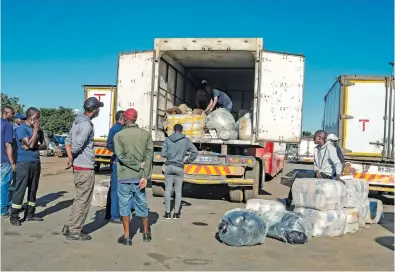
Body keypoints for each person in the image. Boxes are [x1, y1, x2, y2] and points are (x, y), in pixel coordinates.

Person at [62, 97, 104, 240]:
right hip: (85, 167)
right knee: (83, 200)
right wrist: (71, 156)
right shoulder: (86, 125)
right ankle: (74, 230)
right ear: (94, 110)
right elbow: (77, 145)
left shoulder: (77, 122)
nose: (99, 110)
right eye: (98, 108)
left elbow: (68, 141)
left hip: (79, 166)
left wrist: (70, 158)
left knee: (79, 198)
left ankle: (70, 226)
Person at [113, 108, 153, 246]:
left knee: (124, 206)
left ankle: (127, 236)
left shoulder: (118, 136)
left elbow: (121, 156)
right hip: (139, 177)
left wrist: (135, 165)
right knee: (142, 203)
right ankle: (146, 233)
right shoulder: (146, 134)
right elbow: (149, 156)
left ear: (125, 118)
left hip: (124, 176)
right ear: (136, 118)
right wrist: (145, 175)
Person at [10, 107, 43, 226]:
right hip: (23, 163)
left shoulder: (38, 130)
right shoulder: (21, 129)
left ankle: (30, 214)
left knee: (33, 190)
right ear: (32, 117)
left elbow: (41, 145)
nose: (38, 120)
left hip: (36, 162)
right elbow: (29, 144)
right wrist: (34, 132)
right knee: (20, 189)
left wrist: (32, 143)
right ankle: (14, 215)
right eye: (37, 117)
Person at [161, 124, 197, 219]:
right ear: (181, 130)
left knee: (168, 190)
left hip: (169, 166)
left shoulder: (167, 140)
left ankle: (167, 213)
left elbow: (163, 154)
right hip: (179, 167)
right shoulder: (186, 140)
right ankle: (176, 213)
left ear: (173, 130)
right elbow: (195, 151)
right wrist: (188, 160)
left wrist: (170, 154)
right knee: (178, 191)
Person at [105, 110, 135, 224]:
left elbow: (109, 145)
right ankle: (115, 215)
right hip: (121, 163)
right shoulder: (121, 130)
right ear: (123, 118)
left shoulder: (113, 129)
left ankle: (111, 214)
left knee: (114, 189)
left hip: (115, 161)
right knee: (121, 189)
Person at [1, 106, 15, 217]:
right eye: (12, 113)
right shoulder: (8, 126)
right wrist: (12, 162)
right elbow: (8, 145)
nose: (13, 115)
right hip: (4, 160)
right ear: (5, 113)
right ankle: (3, 210)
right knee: (5, 185)